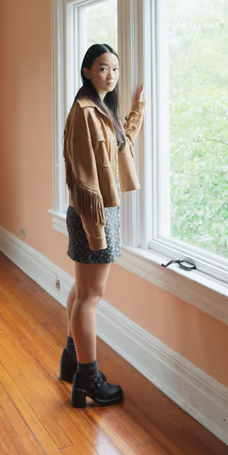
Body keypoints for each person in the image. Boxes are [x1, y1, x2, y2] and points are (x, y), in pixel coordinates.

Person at [58, 43, 146, 408]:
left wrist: (138, 110)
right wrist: (96, 231)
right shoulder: (83, 112)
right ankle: (88, 379)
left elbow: (118, 148)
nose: (111, 75)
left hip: (99, 214)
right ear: (87, 71)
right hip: (92, 214)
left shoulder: (102, 109)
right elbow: (83, 180)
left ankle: (72, 359)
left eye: (115, 69)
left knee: (82, 291)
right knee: (91, 297)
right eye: (103, 68)